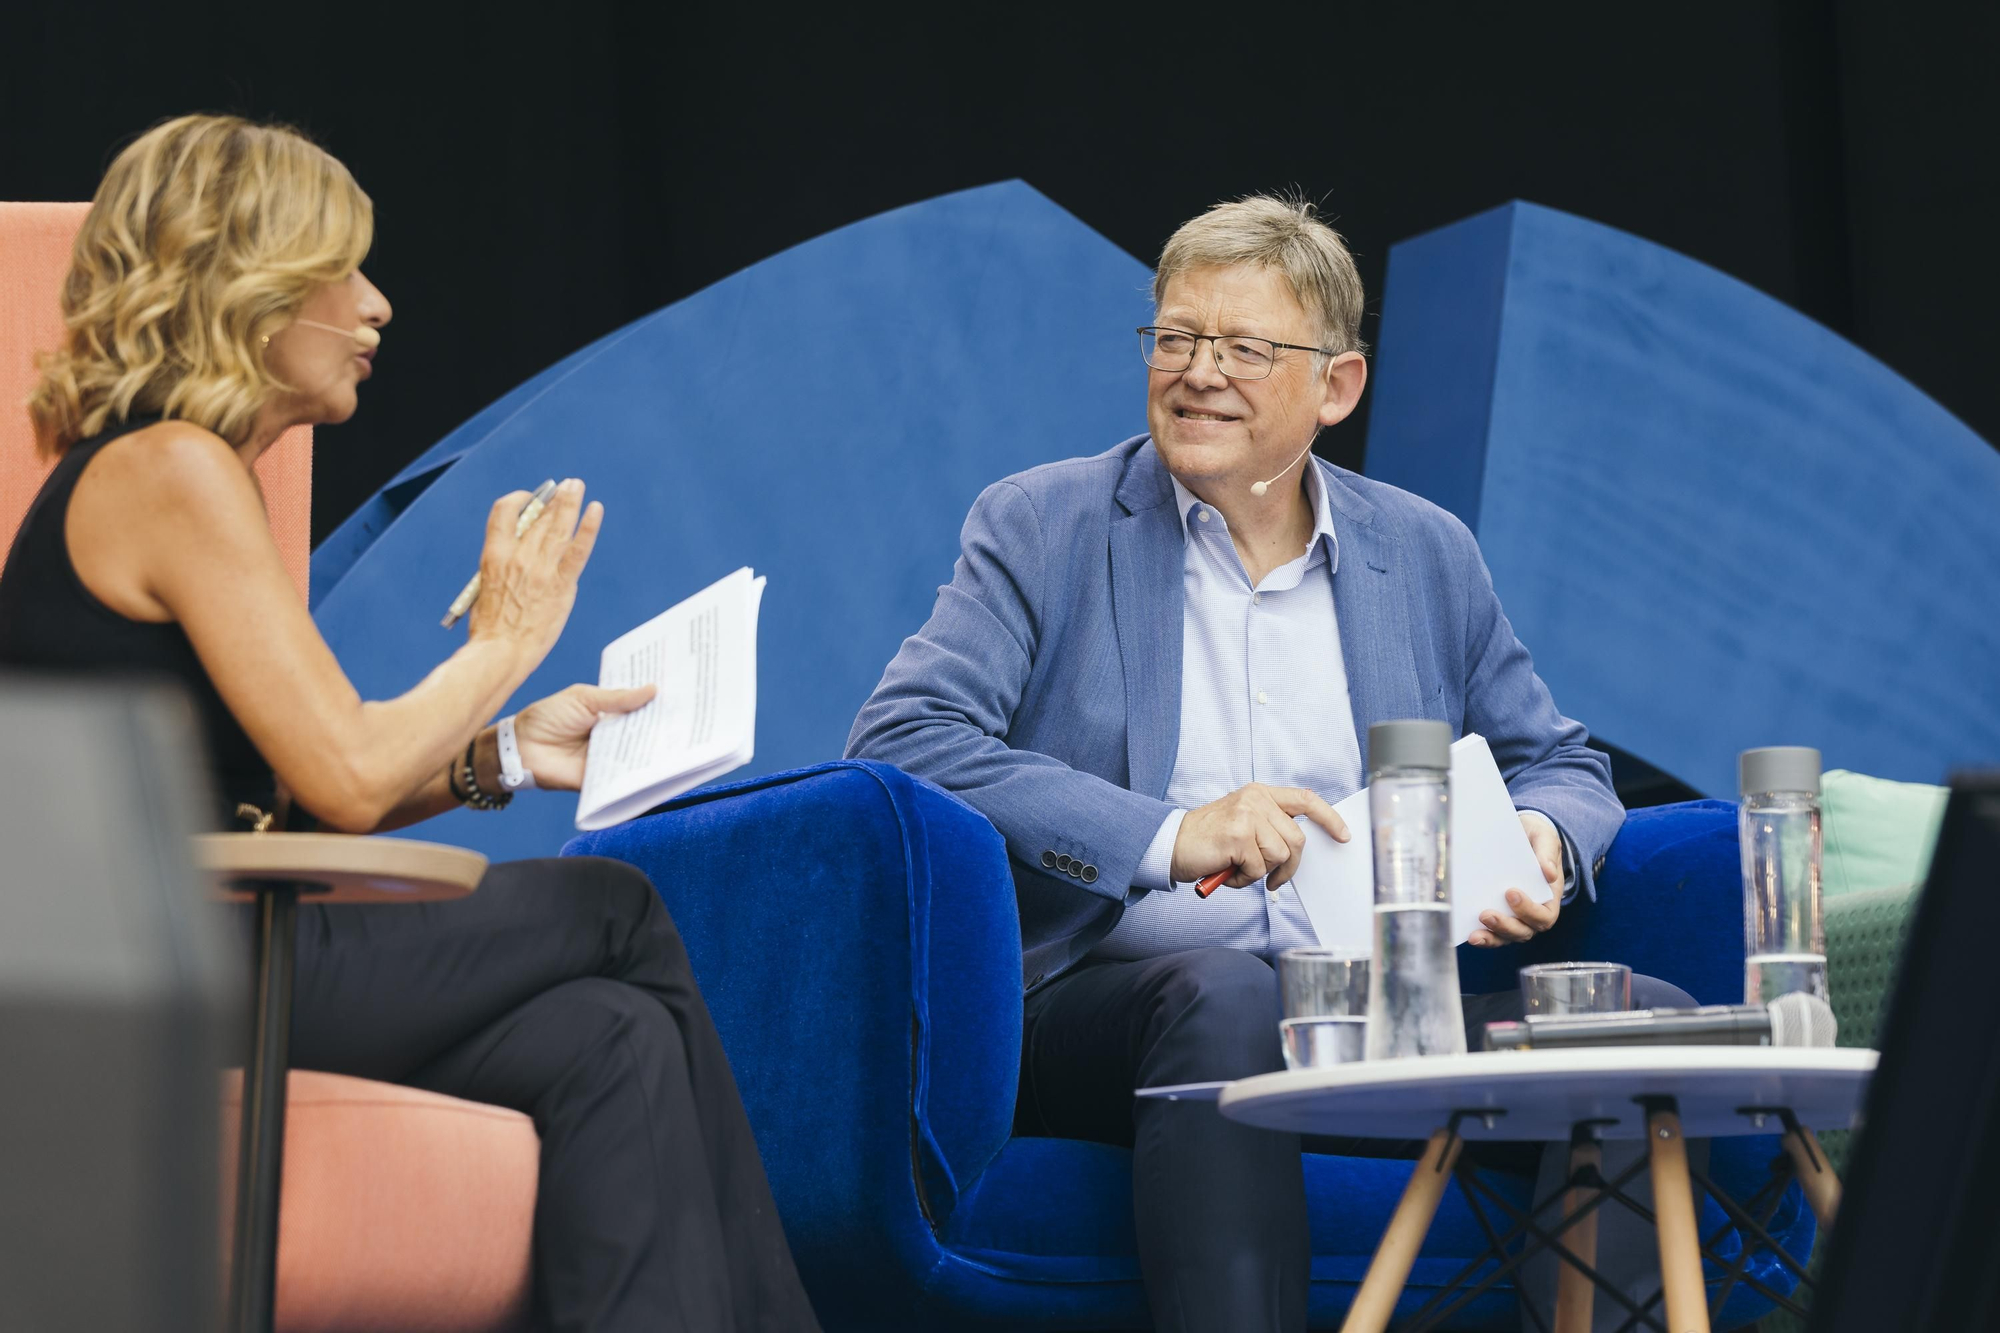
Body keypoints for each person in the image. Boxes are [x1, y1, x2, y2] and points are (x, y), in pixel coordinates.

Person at [0, 114, 818, 1333]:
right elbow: (341, 778)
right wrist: (506, 637)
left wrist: (507, 748)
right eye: (343, 271)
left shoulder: (175, 474)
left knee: (605, 1039)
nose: (377, 306)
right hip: (164, 964)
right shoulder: (169, 471)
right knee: (615, 910)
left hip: (221, 938)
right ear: (251, 286)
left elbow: (318, 775)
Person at [847, 195, 1690, 1332]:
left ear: (1334, 387)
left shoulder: (1425, 552)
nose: (1198, 372)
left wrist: (1540, 836)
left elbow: (1562, 764)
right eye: (1175, 338)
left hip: (1377, 1007)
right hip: (1110, 1009)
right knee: (1221, 992)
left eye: (1244, 348)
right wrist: (1169, 836)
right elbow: (902, 740)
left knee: (1637, 1019)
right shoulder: (1041, 523)